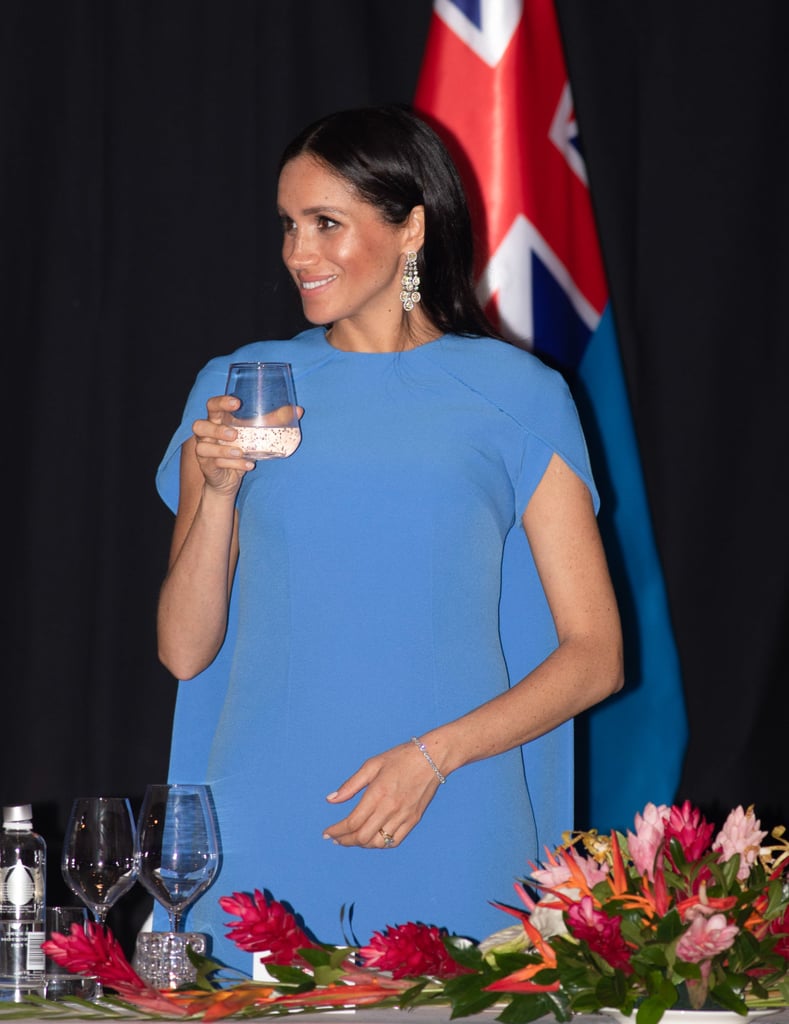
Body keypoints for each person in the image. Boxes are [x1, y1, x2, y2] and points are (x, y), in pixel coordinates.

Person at [155, 104, 624, 970]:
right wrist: (217, 490)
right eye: (290, 225)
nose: (299, 253)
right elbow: (185, 652)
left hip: (453, 798)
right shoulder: (237, 389)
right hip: (261, 811)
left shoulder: (516, 394)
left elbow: (594, 656)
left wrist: (430, 758)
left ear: (410, 227)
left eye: (327, 224)